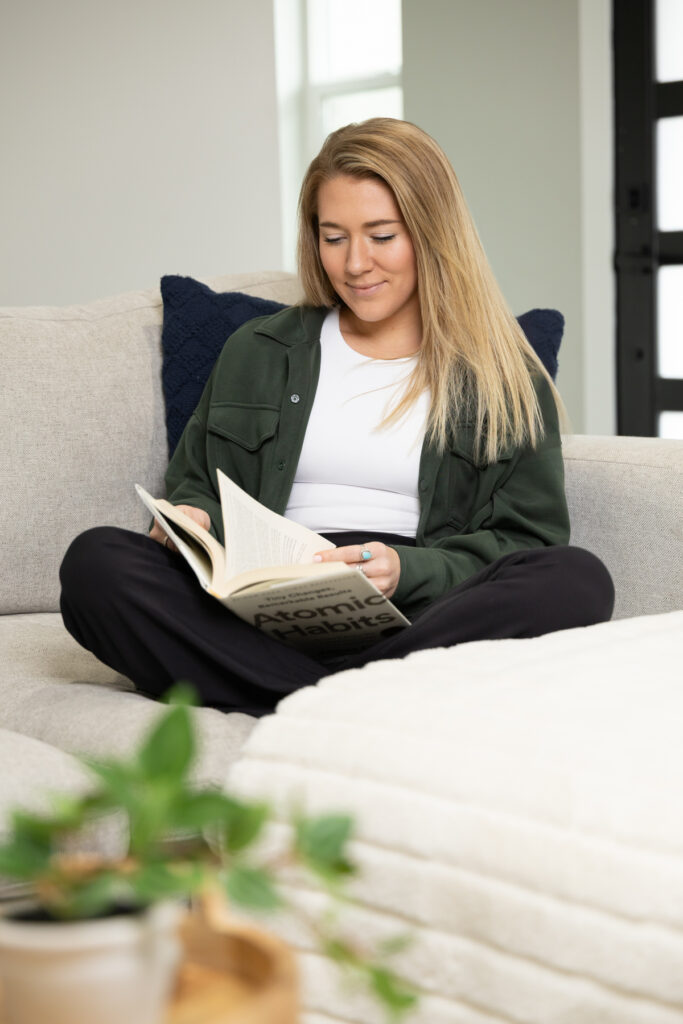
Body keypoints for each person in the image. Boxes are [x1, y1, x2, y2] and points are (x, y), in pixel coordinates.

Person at [60, 118, 614, 715]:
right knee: (97, 564)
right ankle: (355, 701)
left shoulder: (504, 376)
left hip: (414, 614)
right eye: (333, 237)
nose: (354, 264)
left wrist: (408, 570)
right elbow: (197, 482)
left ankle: (284, 696)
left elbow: (525, 541)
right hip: (257, 608)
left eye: (381, 235)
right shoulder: (258, 349)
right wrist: (192, 520)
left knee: (576, 579)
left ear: (432, 233)